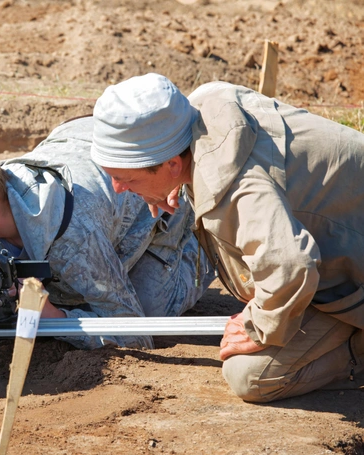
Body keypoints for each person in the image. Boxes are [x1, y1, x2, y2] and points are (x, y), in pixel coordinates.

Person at [89, 72, 364, 402]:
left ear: (173, 164)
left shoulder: (238, 189)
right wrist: (178, 187)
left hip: (346, 272)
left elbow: (291, 264)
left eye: (125, 178)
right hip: (345, 244)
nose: (118, 188)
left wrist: (260, 326)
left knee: (251, 376)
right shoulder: (204, 110)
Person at [0, 116, 215, 350]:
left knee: (149, 311)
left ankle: (210, 243)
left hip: (154, 199)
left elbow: (133, 333)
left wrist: (52, 318)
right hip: (80, 146)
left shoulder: (74, 235)